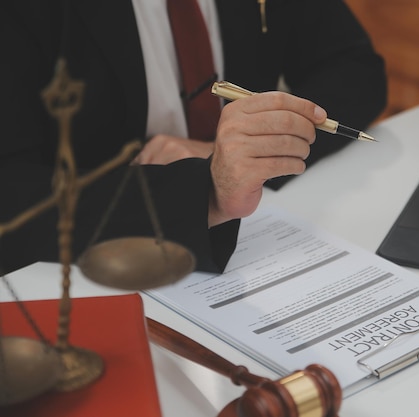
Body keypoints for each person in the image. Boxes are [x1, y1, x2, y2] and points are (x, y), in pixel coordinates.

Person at [0, 0, 387, 275]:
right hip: (83, 259)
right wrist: (206, 190)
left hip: (261, 232)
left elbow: (354, 67)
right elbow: (12, 192)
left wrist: (246, 154)